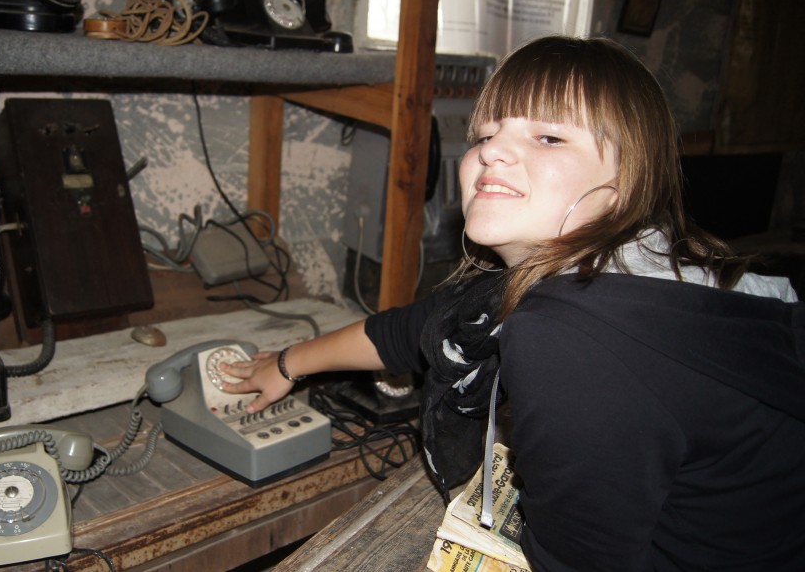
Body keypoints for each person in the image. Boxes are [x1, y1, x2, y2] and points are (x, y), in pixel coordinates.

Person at [222, 35, 805, 570]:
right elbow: (419, 327)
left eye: (548, 137)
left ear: (631, 179)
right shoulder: (635, 262)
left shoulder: (575, 339)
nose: (491, 153)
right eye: (484, 135)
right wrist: (286, 364)